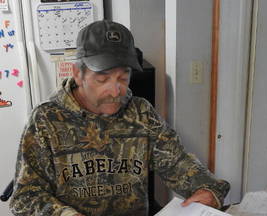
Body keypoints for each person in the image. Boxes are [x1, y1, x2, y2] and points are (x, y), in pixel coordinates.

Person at [9, 20, 230, 216]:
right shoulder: (46, 120)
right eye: (102, 80)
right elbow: (25, 197)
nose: (116, 92)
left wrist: (208, 188)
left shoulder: (140, 112)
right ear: (78, 75)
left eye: (123, 78)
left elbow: (176, 162)